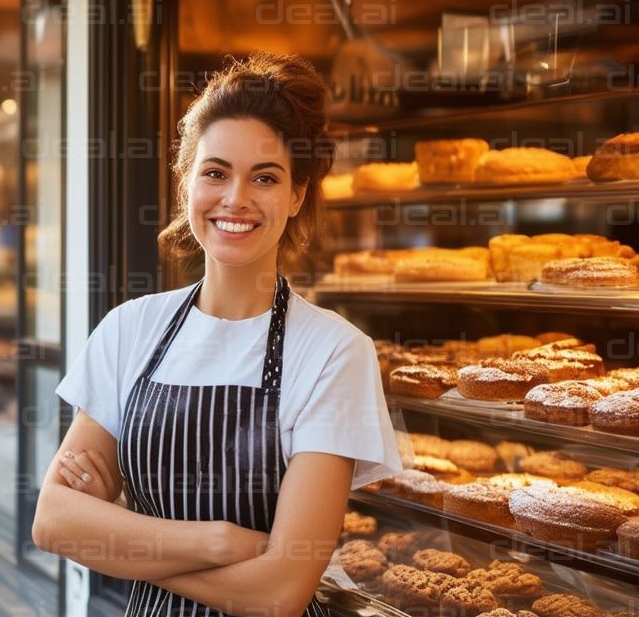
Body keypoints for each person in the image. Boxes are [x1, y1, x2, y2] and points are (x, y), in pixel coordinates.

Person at [30, 52, 402, 617]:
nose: (236, 199)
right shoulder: (129, 330)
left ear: (297, 195)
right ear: (186, 183)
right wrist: (221, 542)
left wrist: (122, 537)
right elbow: (54, 522)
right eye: (215, 172)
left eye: (266, 177)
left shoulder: (334, 352)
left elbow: (280, 593)